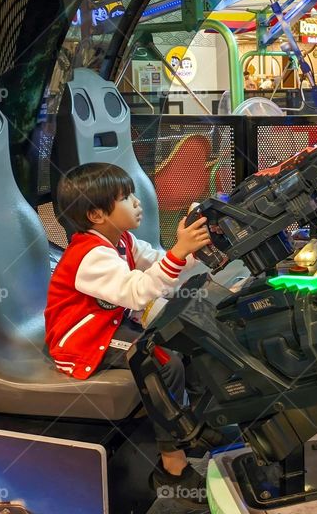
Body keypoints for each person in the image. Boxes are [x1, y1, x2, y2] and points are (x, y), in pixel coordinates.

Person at [44, 163, 214, 503]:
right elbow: (136, 292)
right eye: (125, 197)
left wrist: (191, 251)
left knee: (193, 336)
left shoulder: (121, 239)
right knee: (162, 360)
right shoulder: (90, 255)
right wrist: (179, 253)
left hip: (109, 327)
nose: (137, 202)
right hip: (81, 341)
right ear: (95, 214)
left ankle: (196, 426)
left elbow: (156, 263)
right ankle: (172, 464)